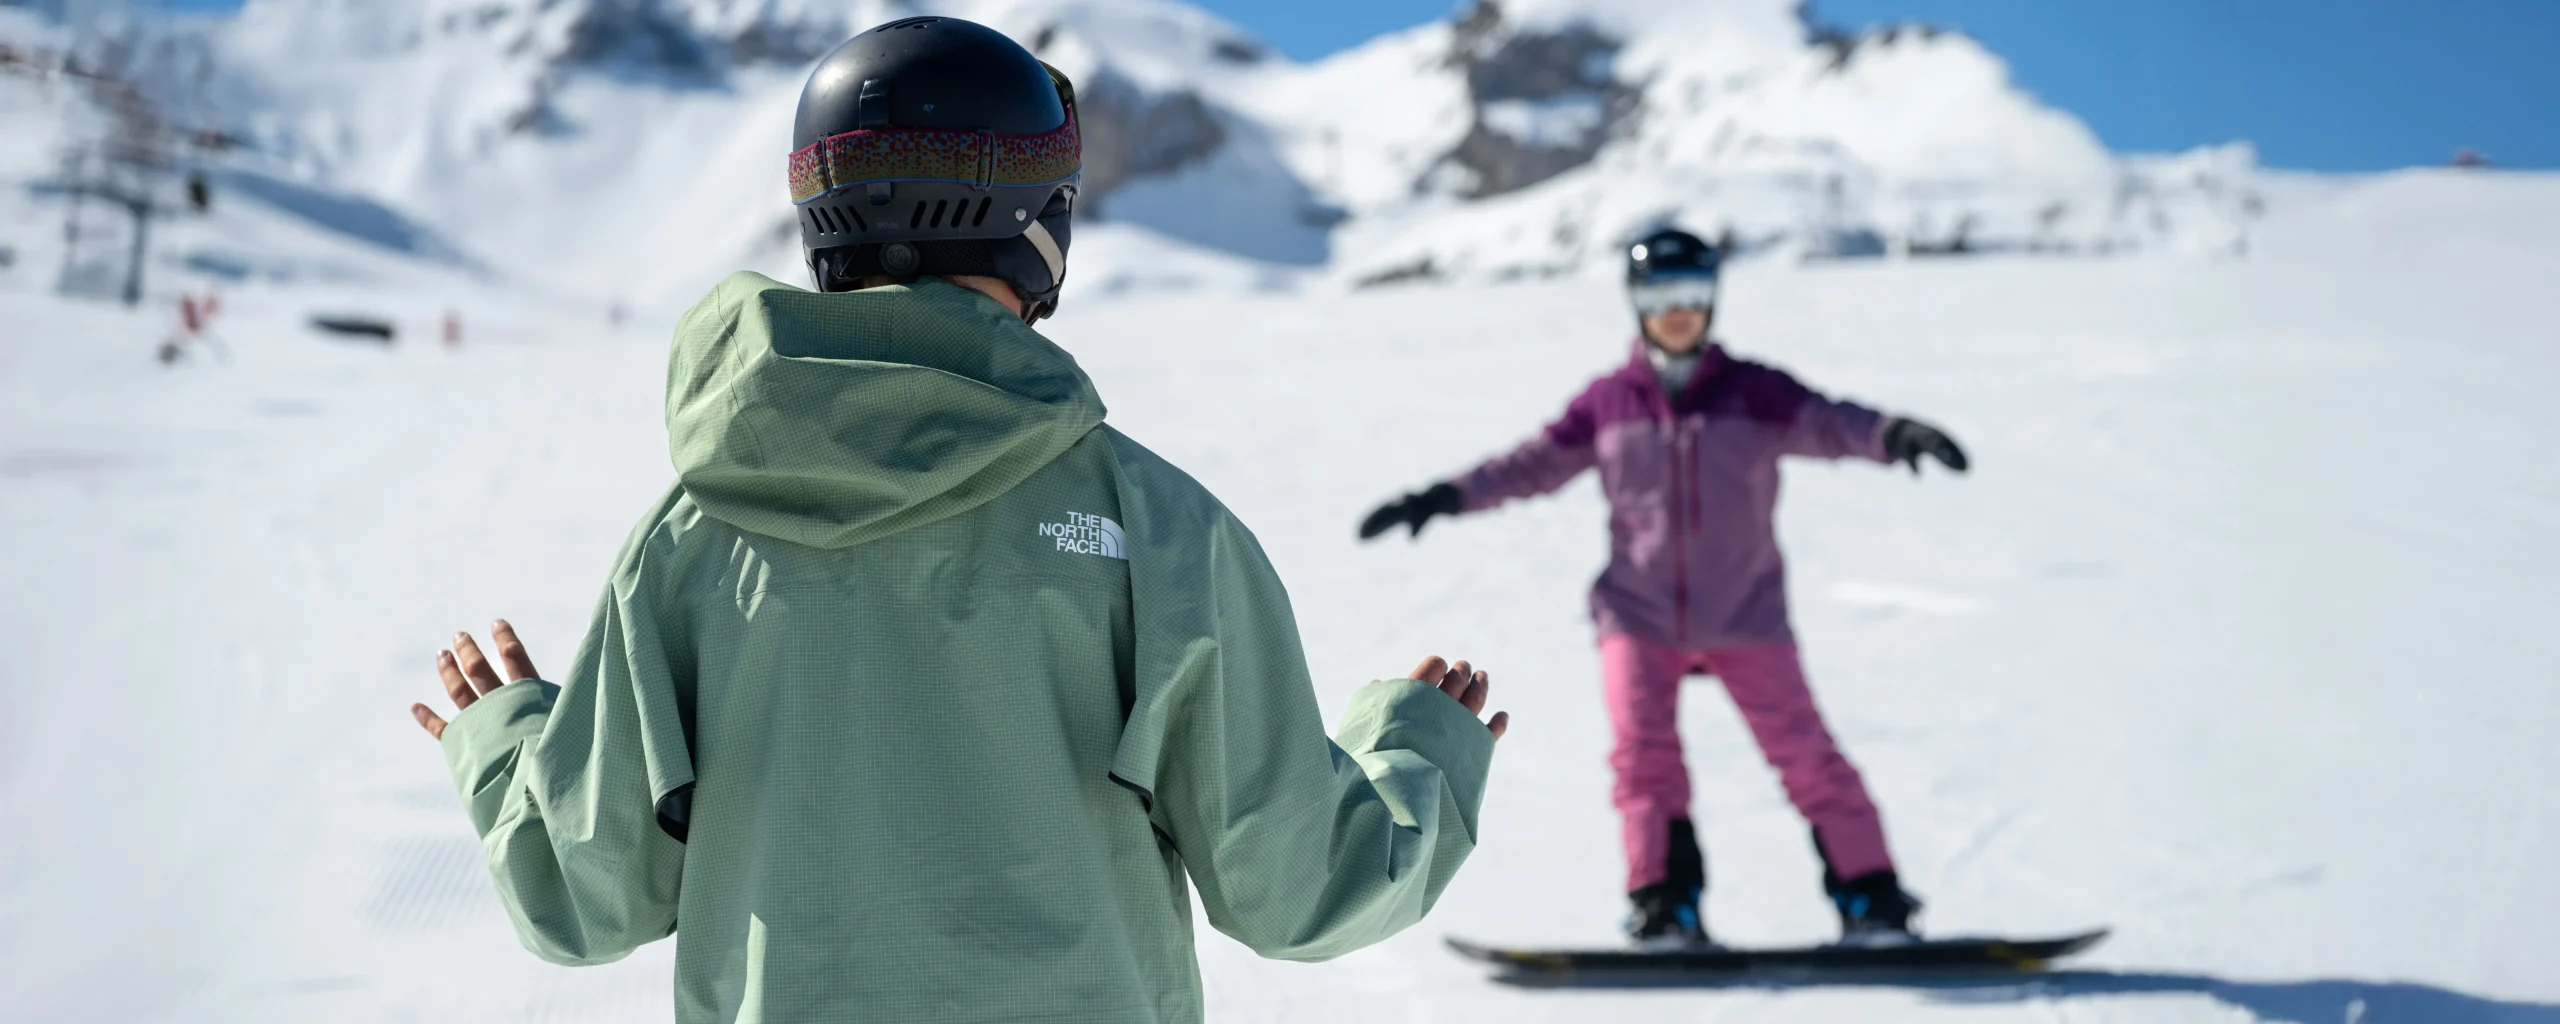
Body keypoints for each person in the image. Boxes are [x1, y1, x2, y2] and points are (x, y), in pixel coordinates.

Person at [406, 18, 1506, 1023]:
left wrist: (510, 742)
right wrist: (1421, 754)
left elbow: (584, 900)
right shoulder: (1156, 527)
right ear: (1039, 225)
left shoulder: (693, 533)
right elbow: (1296, 890)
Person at [1359, 228, 1965, 948]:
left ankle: (1874, 903)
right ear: (1635, 302)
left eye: (1692, 295)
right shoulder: (1610, 403)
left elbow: (1834, 423)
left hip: (1745, 612)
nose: (1677, 312)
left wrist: (1894, 434)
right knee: (1644, 762)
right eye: (1659, 296)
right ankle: (1664, 906)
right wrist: (1443, 496)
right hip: (1637, 614)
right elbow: (1530, 465)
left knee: (1808, 755)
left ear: (1712, 299)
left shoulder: (1755, 392)